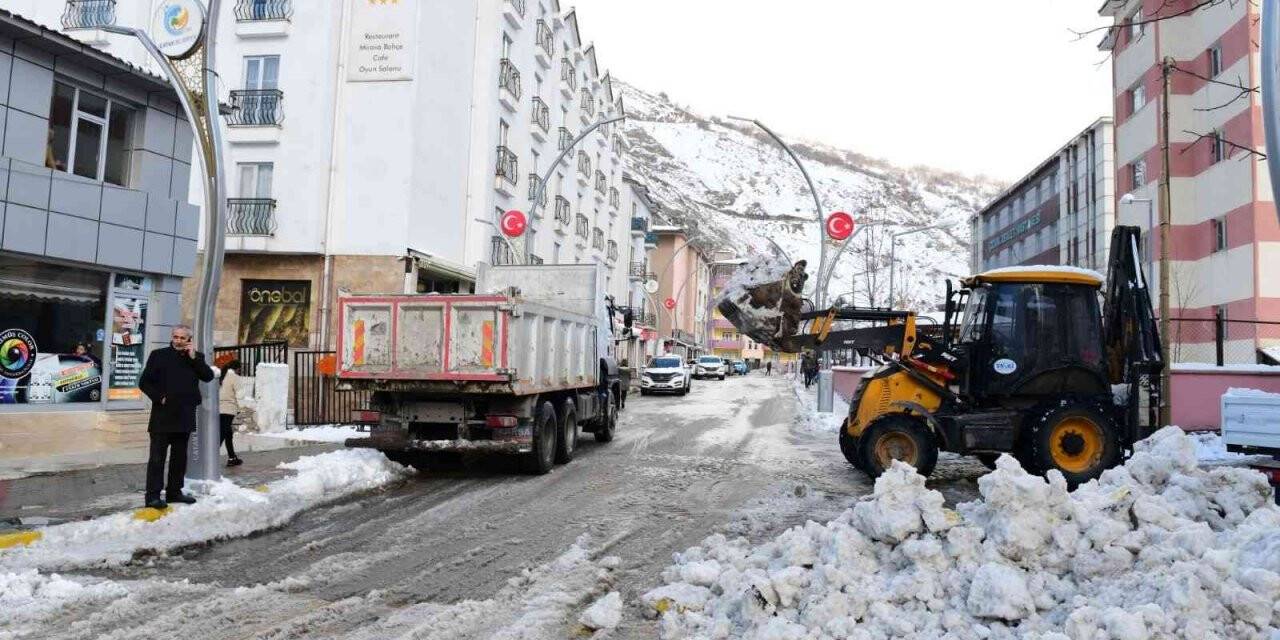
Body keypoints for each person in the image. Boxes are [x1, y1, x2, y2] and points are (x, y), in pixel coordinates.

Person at [138, 325, 215, 509]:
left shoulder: (196, 358)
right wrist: (159, 397)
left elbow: (208, 376)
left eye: (182, 337)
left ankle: (174, 492)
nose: (178, 340)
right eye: (175, 337)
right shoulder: (158, 355)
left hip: (184, 415)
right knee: (157, 458)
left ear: (189, 339)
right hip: (162, 416)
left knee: (179, 458)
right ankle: (153, 496)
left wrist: (194, 358)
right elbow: (144, 382)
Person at [219, 359, 245, 468]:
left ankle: (232, 457)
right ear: (238, 369)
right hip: (228, 409)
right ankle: (210, 459)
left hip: (217, 408)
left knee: (228, 433)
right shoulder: (235, 378)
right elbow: (240, 395)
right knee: (222, 434)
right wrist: (242, 408)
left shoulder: (220, 375)